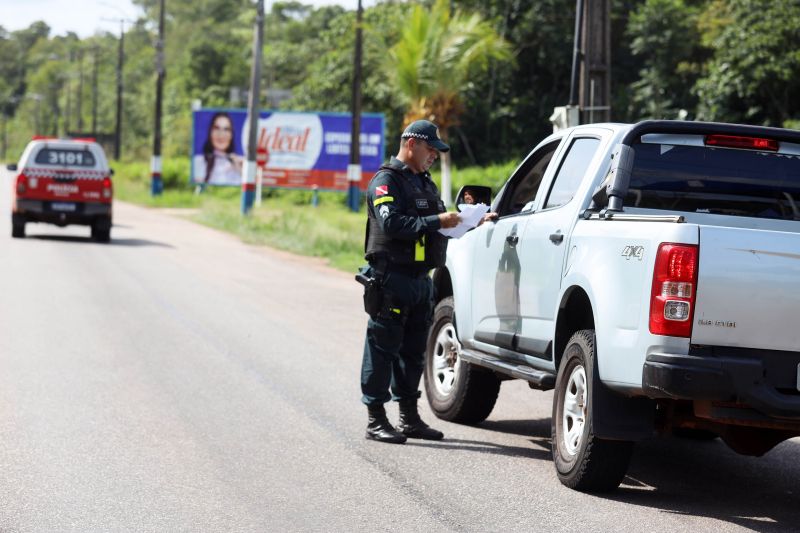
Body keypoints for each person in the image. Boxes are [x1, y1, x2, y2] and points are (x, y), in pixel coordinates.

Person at [360, 119, 461, 444]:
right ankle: (376, 418)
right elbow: (391, 224)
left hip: (421, 280)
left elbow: (438, 225)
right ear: (411, 144)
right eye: (430, 149)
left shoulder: (425, 183)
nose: (433, 155)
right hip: (391, 278)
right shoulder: (386, 181)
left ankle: (408, 417)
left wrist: (469, 220)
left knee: (414, 353)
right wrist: (436, 220)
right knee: (383, 348)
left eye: (436, 150)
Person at [197, 112, 243, 185]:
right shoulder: (199, 161)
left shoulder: (241, 162)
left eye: (226, 129)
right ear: (210, 133)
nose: (221, 134)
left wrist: (240, 169)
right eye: (216, 128)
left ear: (231, 135)